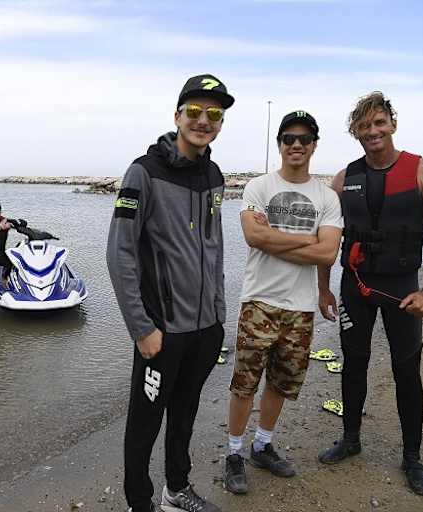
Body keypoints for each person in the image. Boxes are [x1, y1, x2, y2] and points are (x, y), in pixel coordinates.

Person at [316, 92, 423, 497]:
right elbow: (327, 238)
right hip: (355, 288)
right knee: (353, 362)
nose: (373, 131)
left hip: (402, 291)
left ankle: (412, 457)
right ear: (355, 132)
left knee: (406, 370)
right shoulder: (344, 179)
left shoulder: (421, 172)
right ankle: (351, 438)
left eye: (379, 123)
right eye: (364, 126)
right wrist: (324, 287)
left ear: (392, 124)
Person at [107, 74, 233, 512]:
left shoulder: (215, 175)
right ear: (177, 115)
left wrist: (218, 318)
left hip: (204, 330)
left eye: (214, 114)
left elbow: (213, 250)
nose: (204, 120)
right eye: (195, 112)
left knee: (185, 414)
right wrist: (142, 329)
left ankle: (176, 490)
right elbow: (119, 254)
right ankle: (139, 503)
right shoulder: (143, 172)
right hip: (161, 331)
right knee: (144, 423)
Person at [222, 111, 342, 495]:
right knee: (244, 383)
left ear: (314, 145)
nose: (296, 144)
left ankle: (262, 445)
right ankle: (234, 453)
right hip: (259, 300)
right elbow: (254, 238)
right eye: (288, 137)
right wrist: (309, 240)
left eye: (304, 139)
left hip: (301, 307)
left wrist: (279, 238)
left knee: (281, 383)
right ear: (279, 144)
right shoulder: (259, 186)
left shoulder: (327, 197)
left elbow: (328, 254)